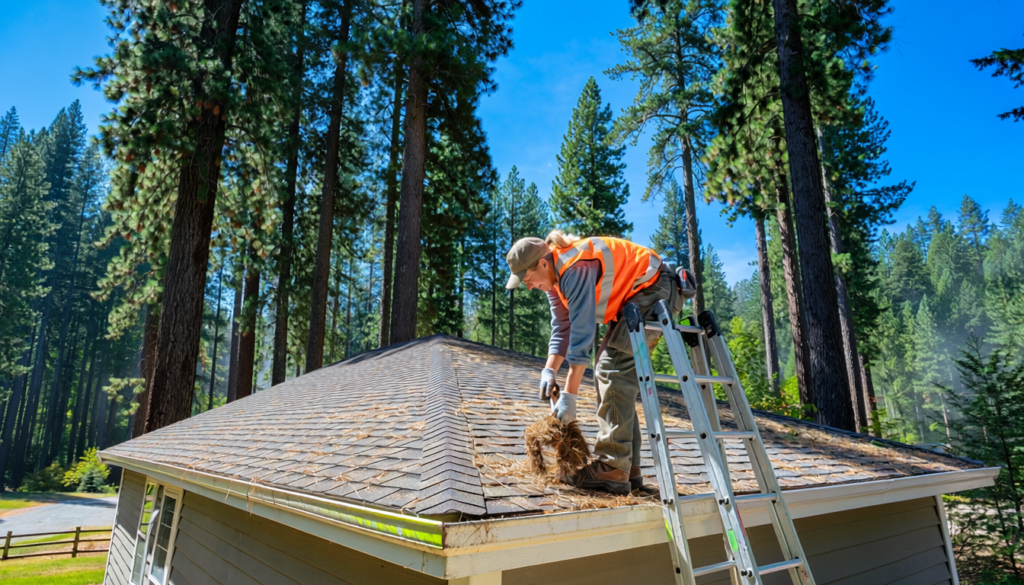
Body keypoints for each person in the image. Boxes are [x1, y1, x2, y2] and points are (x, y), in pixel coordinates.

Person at [505, 229, 692, 494]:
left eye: (527, 279)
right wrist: (549, 370)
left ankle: (614, 465)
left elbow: (581, 336)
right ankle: (628, 466)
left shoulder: (573, 269)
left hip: (655, 290)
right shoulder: (554, 281)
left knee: (611, 369)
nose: (528, 286)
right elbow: (562, 328)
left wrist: (569, 396)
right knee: (610, 373)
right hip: (639, 297)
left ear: (543, 264)